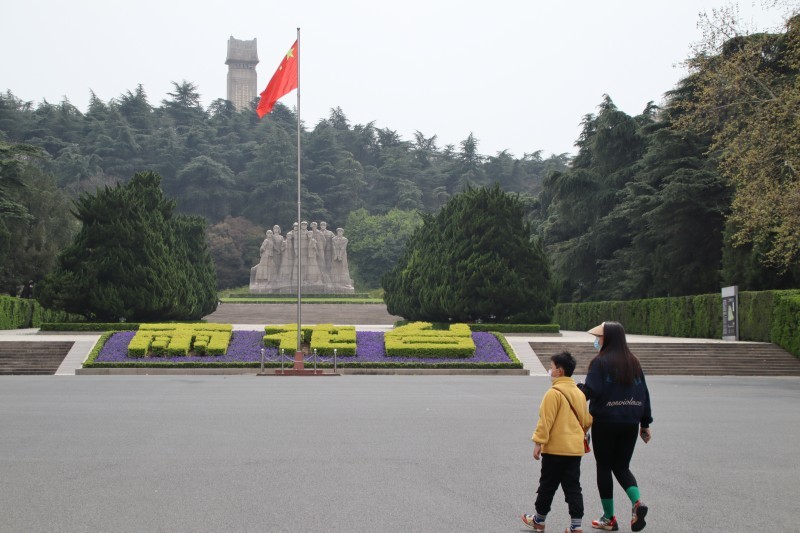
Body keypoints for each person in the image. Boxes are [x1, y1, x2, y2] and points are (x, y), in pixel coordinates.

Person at [580, 321, 652, 532]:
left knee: (604, 466)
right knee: (621, 466)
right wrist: (645, 423)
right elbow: (644, 394)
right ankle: (637, 503)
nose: (597, 341)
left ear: (608, 338)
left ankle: (609, 518)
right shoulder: (634, 362)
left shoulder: (600, 362)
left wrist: (574, 389)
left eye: (599, 337)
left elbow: (591, 390)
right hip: (630, 422)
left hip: (605, 422)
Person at [522, 351, 592, 533]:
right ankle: (576, 525)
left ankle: (539, 520)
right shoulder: (579, 393)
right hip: (574, 450)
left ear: (559, 371)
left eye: (551, 367)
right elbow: (586, 421)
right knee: (573, 487)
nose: (550, 371)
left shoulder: (553, 393)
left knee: (547, 485)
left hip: (554, 450)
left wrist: (538, 442)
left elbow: (545, 421)